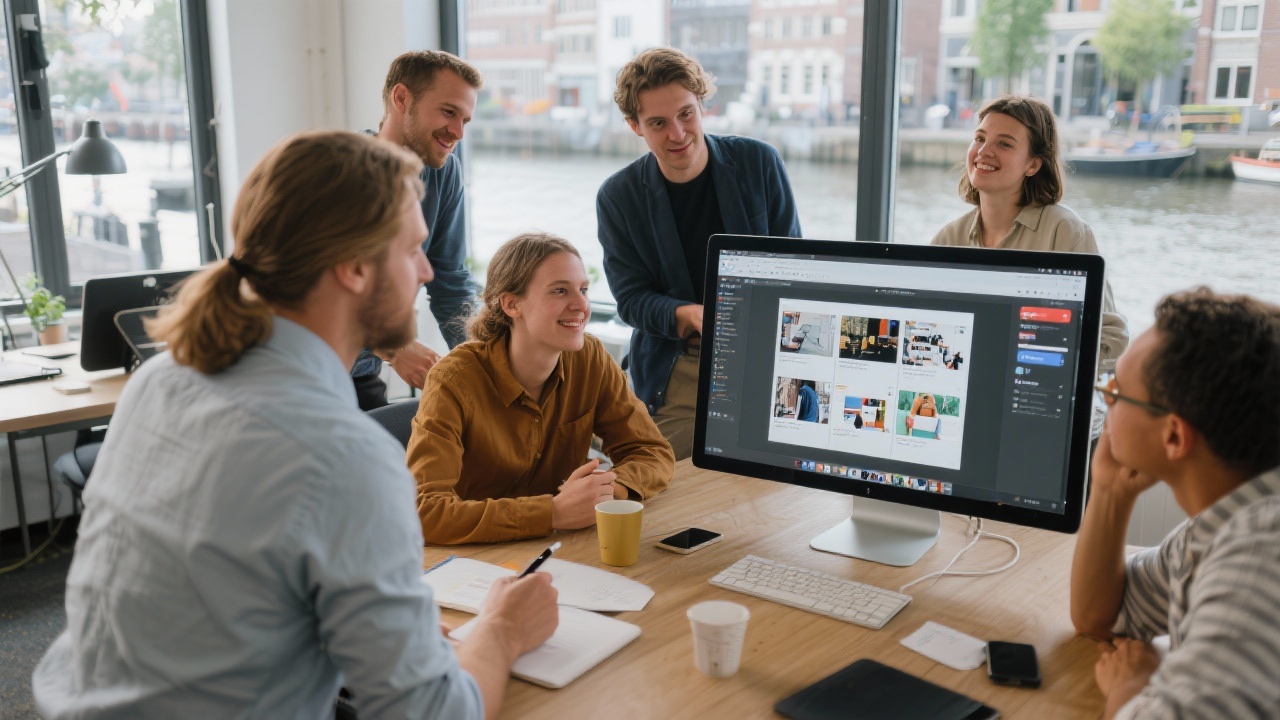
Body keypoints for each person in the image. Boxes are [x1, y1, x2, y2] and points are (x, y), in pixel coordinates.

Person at [32, 132, 558, 719]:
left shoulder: (162, 380)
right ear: (354, 268)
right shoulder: (340, 456)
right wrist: (504, 630)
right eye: (412, 249)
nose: (428, 272)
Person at [1070, 288, 1280, 720]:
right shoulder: (1222, 525)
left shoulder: (1258, 564)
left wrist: (1129, 689)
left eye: (1118, 392)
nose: (1105, 401)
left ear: (1174, 437)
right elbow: (1101, 618)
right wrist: (1110, 490)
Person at [598, 47, 802, 460]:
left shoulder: (758, 162)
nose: (677, 133)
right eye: (658, 123)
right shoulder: (618, 196)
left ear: (702, 104)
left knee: (779, 489)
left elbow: (797, 267)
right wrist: (686, 315)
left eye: (686, 114)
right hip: (680, 366)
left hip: (767, 356)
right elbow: (631, 300)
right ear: (635, 126)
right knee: (663, 485)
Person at [406, 233, 675, 545]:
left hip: (561, 548)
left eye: (583, 290)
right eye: (560, 291)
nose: (581, 305)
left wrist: (609, 491)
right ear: (511, 304)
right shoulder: (453, 380)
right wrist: (553, 513)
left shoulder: (591, 359)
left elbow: (652, 451)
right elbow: (423, 512)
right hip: (475, 560)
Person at [931, 95, 1128, 424]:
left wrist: (1042, 368)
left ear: (1033, 164)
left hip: (1042, 411)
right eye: (979, 138)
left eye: (1004, 144)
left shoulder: (1065, 232)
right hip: (972, 407)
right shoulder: (948, 237)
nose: (984, 151)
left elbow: (1112, 338)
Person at [350, 50, 482, 410]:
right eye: (448, 112)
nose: (457, 132)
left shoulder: (444, 172)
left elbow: (450, 283)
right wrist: (396, 348)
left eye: (465, 120)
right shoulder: (342, 173)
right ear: (401, 98)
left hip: (360, 372)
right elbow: (310, 289)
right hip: (306, 372)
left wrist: (486, 362)